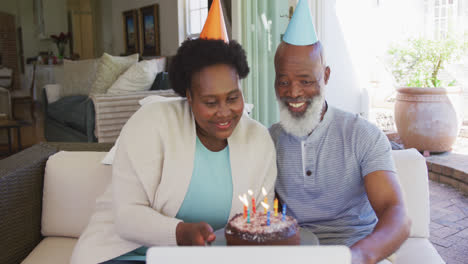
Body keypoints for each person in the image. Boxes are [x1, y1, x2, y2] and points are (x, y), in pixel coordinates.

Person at [71, 1, 276, 263]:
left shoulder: (259, 141)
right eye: (210, 102)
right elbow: (127, 217)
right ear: (189, 97)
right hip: (125, 253)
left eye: (233, 98)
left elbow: (258, 224)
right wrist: (181, 232)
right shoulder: (152, 123)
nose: (224, 112)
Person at [269, 1, 411, 264]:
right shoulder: (269, 141)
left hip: (356, 251)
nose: (294, 92)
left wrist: (360, 255)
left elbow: (397, 213)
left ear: (326, 76)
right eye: (283, 81)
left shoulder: (362, 135)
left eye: (306, 81)